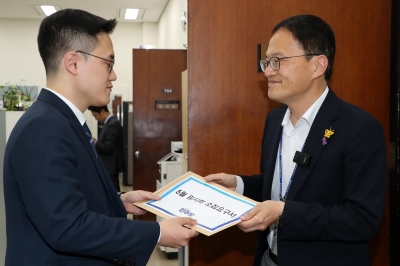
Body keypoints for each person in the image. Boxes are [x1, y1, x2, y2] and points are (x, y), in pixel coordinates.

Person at [3, 8, 198, 266]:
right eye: (109, 63)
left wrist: (118, 201)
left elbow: (66, 196)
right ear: (73, 63)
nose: (113, 75)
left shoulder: (62, 121)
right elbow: (68, 227)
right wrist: (159, 232)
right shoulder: (43, 127)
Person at [205, 14, 386, 266]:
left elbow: (362, 219)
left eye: (278, 60)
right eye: (267, 61)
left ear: (318, 65)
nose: (268, 70)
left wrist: (283, 213)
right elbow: (282, 186)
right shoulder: (274, 120)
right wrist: (239, 186)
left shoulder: (359, 128)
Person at [88, 105, 125, 192]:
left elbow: (108, 147)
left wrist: (95, 143)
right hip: (109, 165)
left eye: (96, 115)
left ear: (103, 111)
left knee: (113, 191)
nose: (96, 119)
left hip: (110, 165)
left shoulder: (113, 124)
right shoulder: (109, 123)